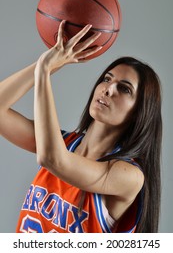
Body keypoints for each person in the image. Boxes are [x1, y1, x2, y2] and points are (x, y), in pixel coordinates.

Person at [0, 21, 162, 233]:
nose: (108, 89)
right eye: (107, 79)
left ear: (140, 112)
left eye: (124, 89)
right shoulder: (63, 143)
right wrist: (49, 65)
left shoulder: (129, 176)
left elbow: (52, 159)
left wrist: (44, 71)